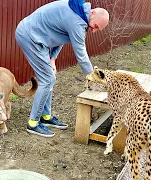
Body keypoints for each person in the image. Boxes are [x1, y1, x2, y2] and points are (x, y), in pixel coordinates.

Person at [15, 0, 109, 137]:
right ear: (93, 13)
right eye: (95, 26)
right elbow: (81, 54)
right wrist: (92, 77)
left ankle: (45, 117)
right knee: (47, 79)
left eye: (97, 29)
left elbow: (61, 36)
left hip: (38, 38)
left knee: (49, 77)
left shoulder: (79, 11)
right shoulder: (77, 20)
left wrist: (52, 58)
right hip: (30, 36)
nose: (94, 31)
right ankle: (33, 123)